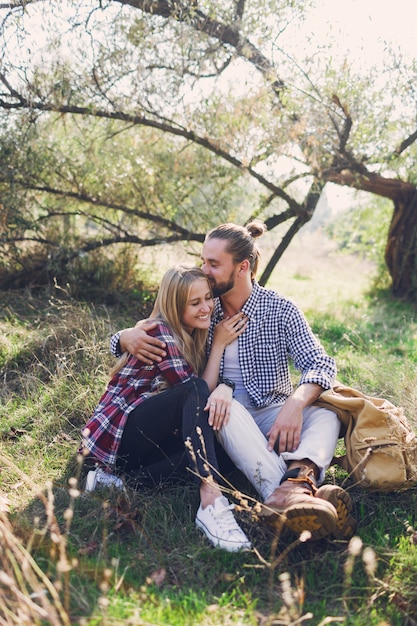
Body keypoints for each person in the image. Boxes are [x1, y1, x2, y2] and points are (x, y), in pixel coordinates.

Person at [111, 223, 357, 541]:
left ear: (242, 268)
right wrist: (122, 337)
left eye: (213, 264)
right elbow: (159, 324)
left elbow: (320, 363)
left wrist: (295, 404)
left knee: (327, 414)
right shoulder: (202, 308)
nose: (205, 270)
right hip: (220, 415)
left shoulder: (280, 310)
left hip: (272, 411)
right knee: (224, 405)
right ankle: (290, 500)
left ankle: (297, 483)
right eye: (204, 261)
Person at [80, 264, 251, 552]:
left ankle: (116, 483)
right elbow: (197, 392)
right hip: (118, 437)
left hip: (145, 438)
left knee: (222, 452)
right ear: (174, 306)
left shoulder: (191, 333)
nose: (207, 307)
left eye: (208, 298)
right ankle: (211, 499)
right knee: (195, 394)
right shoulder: (161, 333)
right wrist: (220, 345)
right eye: (195, 303)